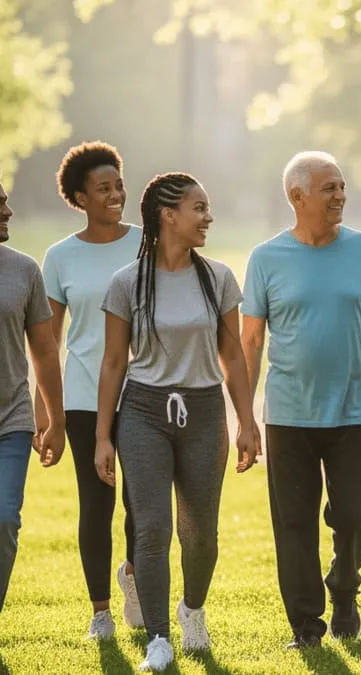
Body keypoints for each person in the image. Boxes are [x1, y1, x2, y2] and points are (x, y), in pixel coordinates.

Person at [241, 151, 361, 649]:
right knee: (293, 523)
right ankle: (307, 627)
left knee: (356, 513)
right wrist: (246, 417)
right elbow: (251, 342)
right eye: (328, 188)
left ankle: (344, 585)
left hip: (352, 410)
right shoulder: (266, 258)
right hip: (289, 413)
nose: (340, 196)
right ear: (297, 197)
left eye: (341, 186)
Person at [95, 172, 259, 672]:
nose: (207, 217)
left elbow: (233, 356)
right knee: (151, 529)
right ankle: (160, 640)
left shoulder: (218, 278)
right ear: (168, 215)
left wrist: (247, 421)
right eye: (199, 208)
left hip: (205, 411)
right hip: (143, 412)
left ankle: (192, 610)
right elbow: (114, 363)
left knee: (201, 535)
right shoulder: (127, 282)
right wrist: (103, 435)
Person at [37, 141, 143, 639]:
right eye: (103, 188)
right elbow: (49, 341)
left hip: (142, 391)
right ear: (80, 197)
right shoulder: (60, 257)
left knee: (143, 503)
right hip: (82, 397)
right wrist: (48, 415)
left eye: (119, 184)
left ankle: (136, 581)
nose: (115, 194)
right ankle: (100, 612)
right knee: (95, 503)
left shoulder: (149, 243)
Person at [0, 180, 66, 614]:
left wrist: (55, 421)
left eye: (6, 201)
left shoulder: (24, 270)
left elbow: (44, 349)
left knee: (5, 520)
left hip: (11, 421)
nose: (8, 211)